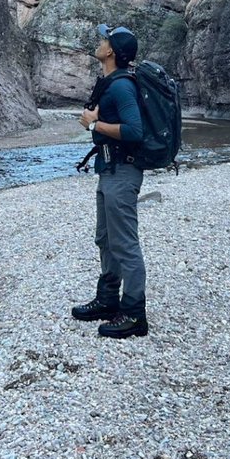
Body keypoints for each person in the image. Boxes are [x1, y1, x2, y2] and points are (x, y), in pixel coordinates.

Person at [72, 23, 148, 338]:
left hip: (123, 173)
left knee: (125, 244)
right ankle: (108, 300)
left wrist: (95, 124)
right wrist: (96, 124)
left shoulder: (121, 87)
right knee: (105, 239)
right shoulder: (111, 82)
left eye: (104, 39)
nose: (99, 42)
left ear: (112, 51)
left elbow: (134, 131)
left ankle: (134, 315)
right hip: (109, 171)